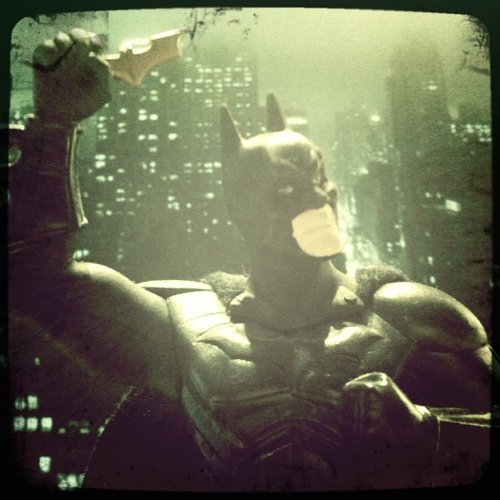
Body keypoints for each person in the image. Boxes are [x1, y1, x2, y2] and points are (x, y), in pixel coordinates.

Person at [8, 28, 496, 492]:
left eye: (319, 178)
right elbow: (41, 282)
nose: (316, 198)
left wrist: (426, 430)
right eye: (285, 188)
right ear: (240, 209)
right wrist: (55, 124)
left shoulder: (411, 318)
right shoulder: (185, 329)